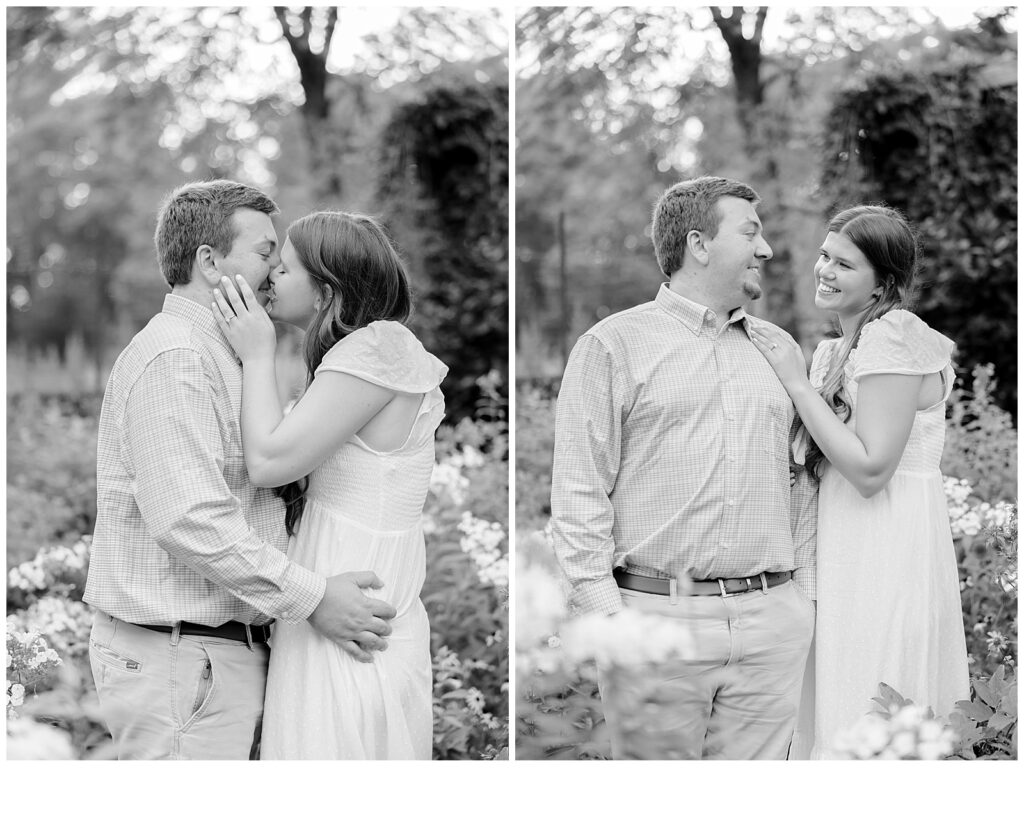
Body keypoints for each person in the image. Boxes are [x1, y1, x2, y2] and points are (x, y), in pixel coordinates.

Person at [84, 180, 398, 761]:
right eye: (263, 252)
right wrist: (313, 597)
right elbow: (189, 519)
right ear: (209, 262)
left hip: (207, 656)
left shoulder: (223, 354)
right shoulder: (178, 358)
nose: (277, 269)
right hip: (181, 656)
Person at [550, 176, 818, 760]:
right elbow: (578, 493)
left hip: (772, 623)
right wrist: (611, 623)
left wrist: (805, 605)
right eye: (750, 232)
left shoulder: (778, 349)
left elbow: (802, 482)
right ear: (699, 244)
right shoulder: (613, 344)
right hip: (656, 619)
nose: (767, 249)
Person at [211, 210, 447, 760]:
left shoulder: (379, 348)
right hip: (334, 604)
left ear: (327, 289)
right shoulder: (358, 355)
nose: (269, 278)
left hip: (355, 617)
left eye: (284, 269)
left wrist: (257, 352)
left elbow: (269, 462)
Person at [748, 205, 970, 758]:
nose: (824, 270)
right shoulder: (835, 349)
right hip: (841, 545)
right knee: (835, 694)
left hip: (886, 545)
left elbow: (871, 469)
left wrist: (798, 386)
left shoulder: (895, 336)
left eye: (844, 264)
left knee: (873, 690)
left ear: (883, 284)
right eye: (825, 256)